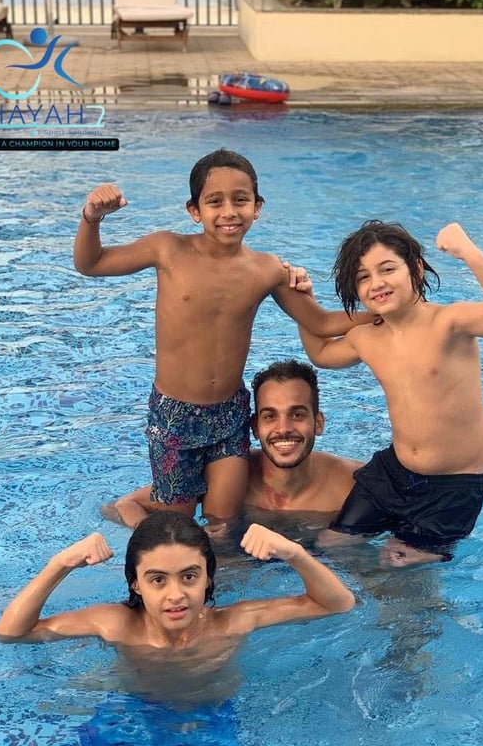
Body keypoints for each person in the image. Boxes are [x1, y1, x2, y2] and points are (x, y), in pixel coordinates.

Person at [0, 512, 354, 746]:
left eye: (189, 576)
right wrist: (61, 563)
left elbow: (338, 603)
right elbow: (9, 633)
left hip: (205, 722)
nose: (175, 594)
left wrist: (293, 552)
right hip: (130, 718)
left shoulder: (231, 623)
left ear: (208, 577)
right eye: (157, 580)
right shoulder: (116, 624)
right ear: (135, 583)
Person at [74, 150, 361, 529]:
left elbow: (321, 322)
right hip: (174, 415)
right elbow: (90, 264)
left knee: (223, 525)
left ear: (257, 207)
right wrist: (92, 219)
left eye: (240, 200)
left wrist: (382, 312)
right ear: (194, 210)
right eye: (215, 201)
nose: (229, 211)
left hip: (228, 414)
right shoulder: (168, 249)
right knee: (176, 527)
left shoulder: (267, 268)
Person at [298, 220, 483, 565]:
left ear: (416, 268)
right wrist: (306, 302)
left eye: (387, 269)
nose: (376, 283)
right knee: (329, 544)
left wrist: (468, 251)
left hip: (452, 487)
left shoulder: (450, 323)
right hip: (393, 473)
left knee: (397, 565)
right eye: (363, 277)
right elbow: (321, 354)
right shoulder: (367, 337)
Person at [104, 359, 362, 527]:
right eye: (270, 416)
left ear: (318, 424)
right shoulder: (224, 478)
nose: (283, 429)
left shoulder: (352, 483)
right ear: (255, 428)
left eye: (297, 414)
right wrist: (158, 543)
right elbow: (121, 506)